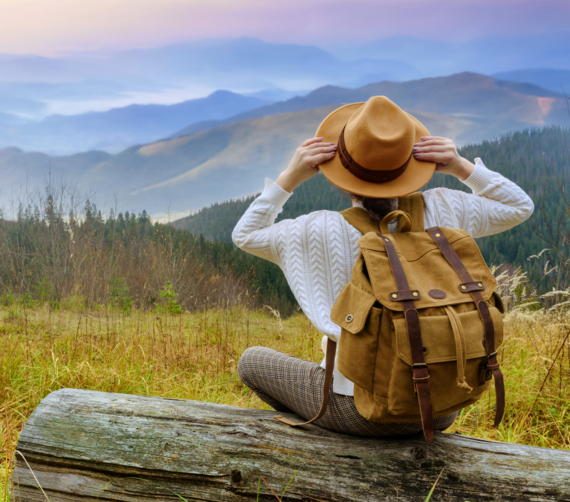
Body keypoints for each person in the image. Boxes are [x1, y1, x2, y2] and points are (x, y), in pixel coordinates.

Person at [232, 96, 534, 437]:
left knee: (252, 361)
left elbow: (246, 234)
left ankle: (331, 445)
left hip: (359, 412)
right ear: (413, 165)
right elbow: (519, 205)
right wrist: (461, 166)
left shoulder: (317, 228)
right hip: (442, 407)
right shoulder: (445, 209)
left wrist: (291, 176)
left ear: (336, 175)